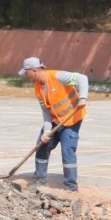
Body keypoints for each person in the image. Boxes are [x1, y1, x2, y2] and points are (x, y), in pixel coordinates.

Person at [18, 56, 88, 191]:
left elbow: (82, 78)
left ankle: (71, 187)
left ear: (34, 71)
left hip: (71, 120)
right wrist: (46, 131)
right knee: (42, 145)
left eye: (26, 72)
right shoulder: (38, 87)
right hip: (55, 121)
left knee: (67, 151)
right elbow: (45, 111)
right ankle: (40, 181)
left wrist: (83, 98)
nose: (26, 75)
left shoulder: (58, 76)